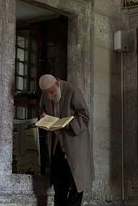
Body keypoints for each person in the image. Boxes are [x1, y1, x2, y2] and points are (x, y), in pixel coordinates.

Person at [38, 74, 94, 206]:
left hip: (74, 146)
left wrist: (68, 123)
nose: (49, 96)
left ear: (57, 84)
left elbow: (85, 117)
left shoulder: (72, 91)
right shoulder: (45, 95)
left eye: (51, 92)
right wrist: (43, 115)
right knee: (59, 187)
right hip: (57, 146)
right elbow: (42, 109)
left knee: (76, 186)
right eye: (46, 94)